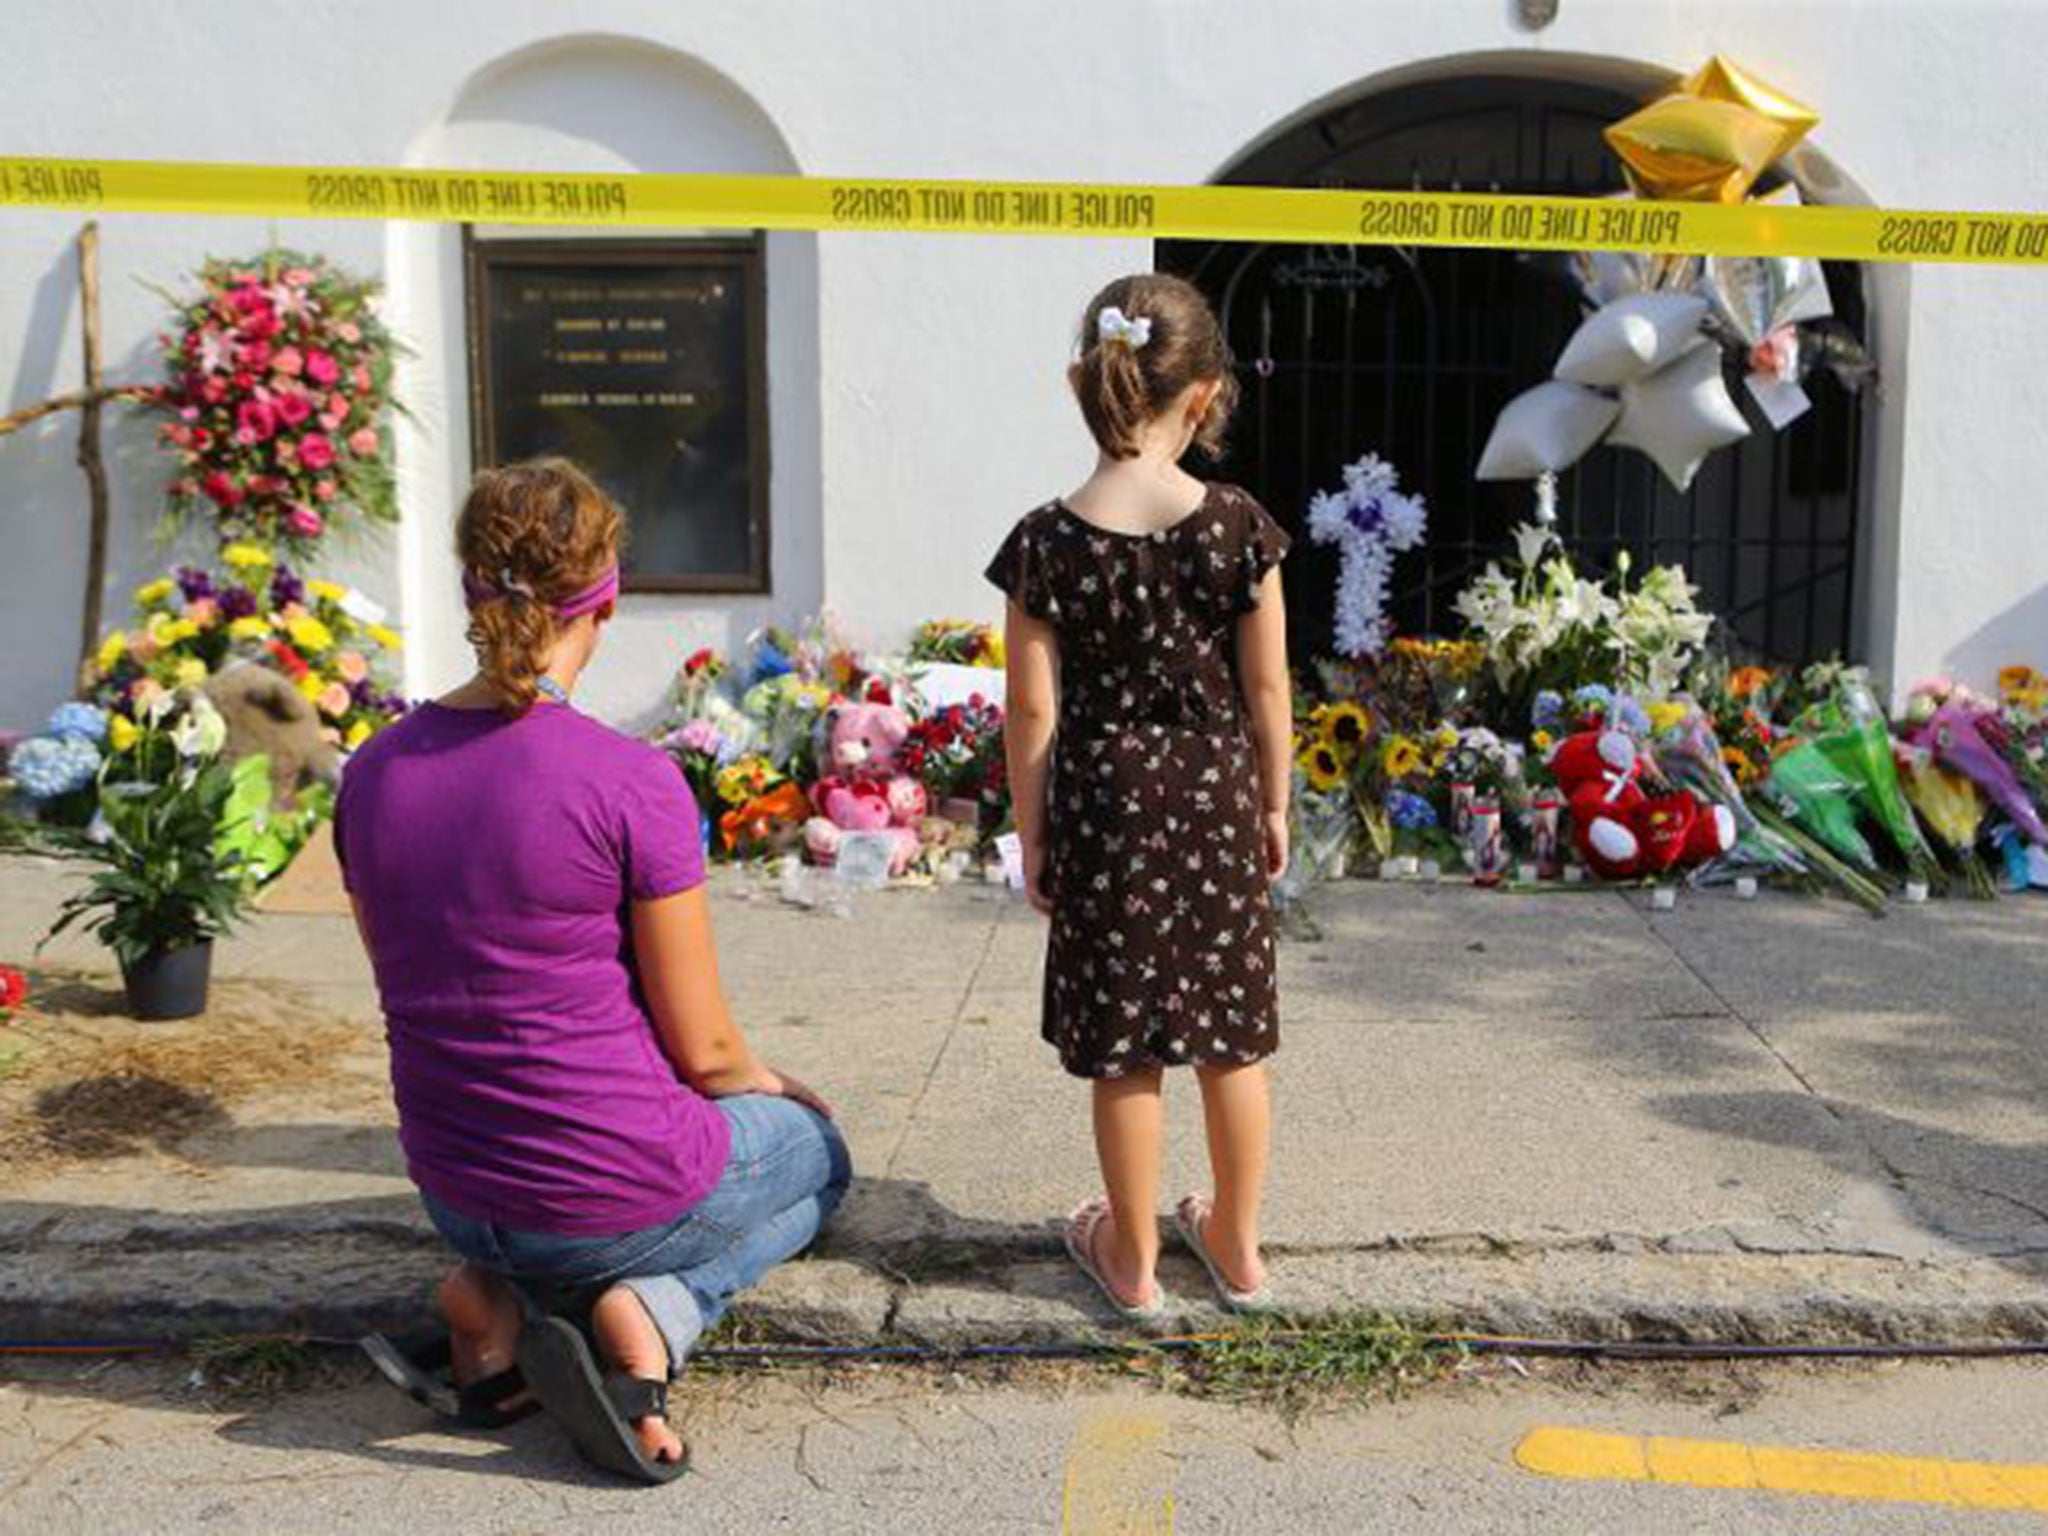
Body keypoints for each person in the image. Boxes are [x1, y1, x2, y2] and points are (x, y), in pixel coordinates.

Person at [337, 458, 849, 1478]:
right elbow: (706, 1054)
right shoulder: (630, 782)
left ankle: (494, 1304)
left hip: (455, 1185)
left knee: (586, 1200)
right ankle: (653, 1312)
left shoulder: (372, 776)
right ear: (604, 595)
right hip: (611, 1190)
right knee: (820, 1165)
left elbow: (424, 980)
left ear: (471, 588)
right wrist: (788, 1097)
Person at [984, 274, 1292, 1319]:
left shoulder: (1043, 542)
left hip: (1104, 802)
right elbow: (1266, 688)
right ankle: (1237, 1248)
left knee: (1125, 1044)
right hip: (1213, 791)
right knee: (1229, 1034)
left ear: (1081, 381)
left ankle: (1132, 1260)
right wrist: (1275, 804)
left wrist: (1032, 833)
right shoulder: (1239, 527)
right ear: (1202, 397)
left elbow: (1030, 713)